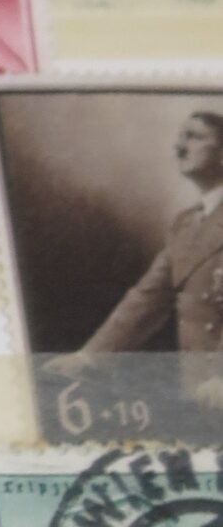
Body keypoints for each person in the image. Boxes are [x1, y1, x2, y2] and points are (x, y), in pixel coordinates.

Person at [75, 112, 223, 408]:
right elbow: (148, 297)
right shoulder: (185, 224)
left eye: (194, 137)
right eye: (180, 137)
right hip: (201, 388)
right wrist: (89, 356)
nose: (179, 147)